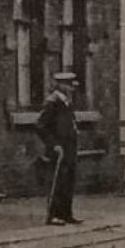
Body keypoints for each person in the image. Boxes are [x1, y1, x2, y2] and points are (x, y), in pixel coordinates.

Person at [35, 71, 81, 225]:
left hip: (69, 148)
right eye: (68, 85)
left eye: (71, 86)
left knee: (68, 181)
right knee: (57, 181)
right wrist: (54, 144)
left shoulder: (67, 103)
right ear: (60, 85)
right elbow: (40, 126)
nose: (71, 89)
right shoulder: (52, 102)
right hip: (58, 149)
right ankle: (53, 215)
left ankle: (66, 214)